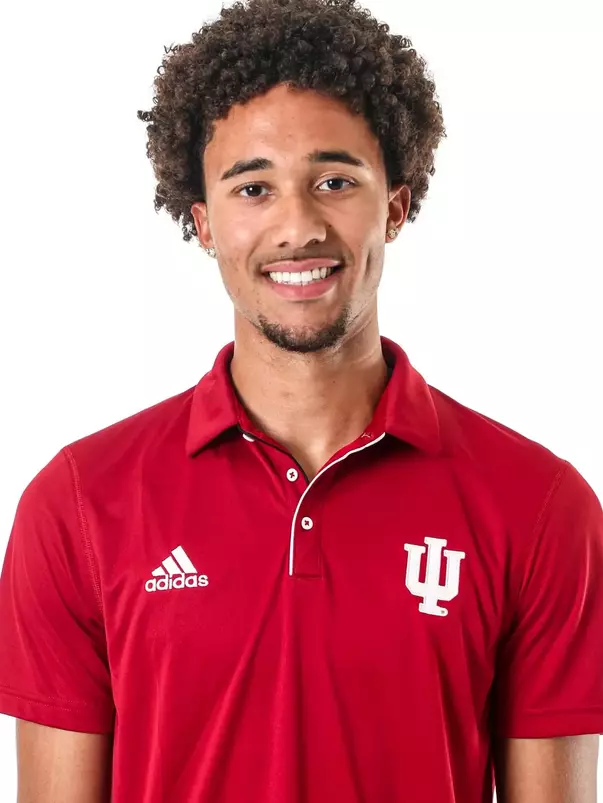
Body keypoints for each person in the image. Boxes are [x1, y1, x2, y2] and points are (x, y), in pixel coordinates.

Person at [0, 0, 602, 800]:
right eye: (252, 188)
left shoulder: (536, 504)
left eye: (333, 180)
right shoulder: (78, 503)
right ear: (203, 223)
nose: (297, 226)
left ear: (395, 204)